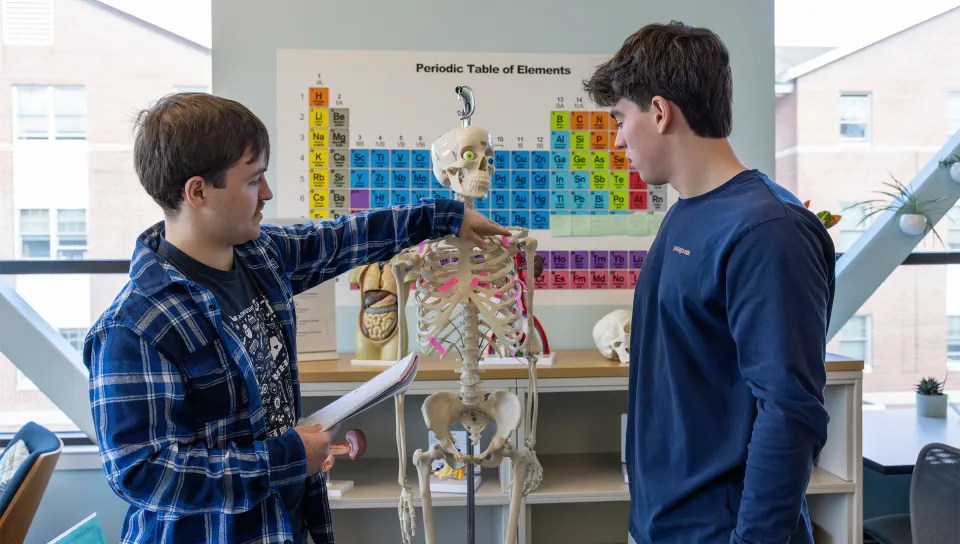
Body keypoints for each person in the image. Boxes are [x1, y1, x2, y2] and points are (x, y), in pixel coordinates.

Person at [81, 92, 510, 544]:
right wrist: (286, 457)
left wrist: (443, 216)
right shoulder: (134, 328)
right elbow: (142, 472)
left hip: (283, 526)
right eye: (253, 181)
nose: (266, 193)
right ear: (198, 191)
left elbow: (342, 239)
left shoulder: (258, 256)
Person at [583, 21, 835, 544]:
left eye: (620, 118)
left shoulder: (769, 232)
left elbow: (789, 414)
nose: (615, 138)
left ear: (659, 112)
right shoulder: (686, 214)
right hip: (665, 523)